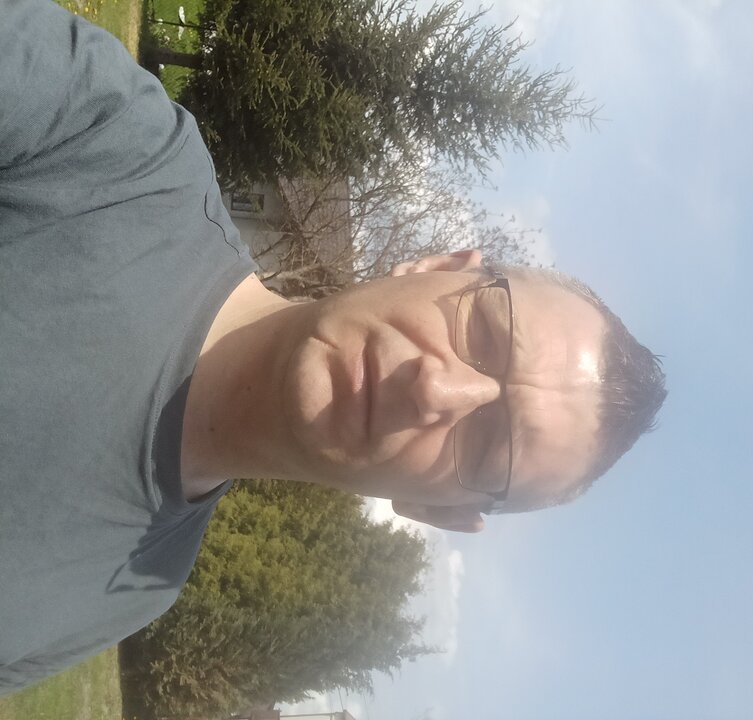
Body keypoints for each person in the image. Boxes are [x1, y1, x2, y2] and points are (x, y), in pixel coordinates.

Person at [0, 0, 666, 695]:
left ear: (435, 512)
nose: (435, 389)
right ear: (434, 267)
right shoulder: (114, 149)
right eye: (483, 332)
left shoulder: (129, 595)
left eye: (488, 445)